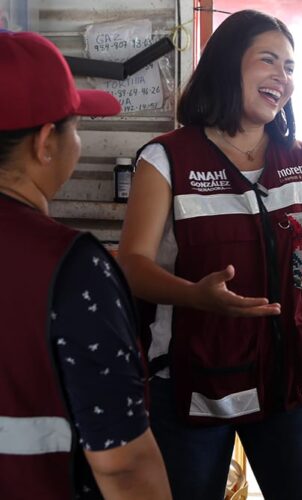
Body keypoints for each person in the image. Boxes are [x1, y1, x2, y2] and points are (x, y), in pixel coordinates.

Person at [117, 10, 302, 500]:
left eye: (292, 67)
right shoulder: (166, 158)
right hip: (192, 386)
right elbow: (132, 266)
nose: (283, 76)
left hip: (291, 384)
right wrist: (195, 296)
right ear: (227, 63)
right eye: (269, 60)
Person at [0, 32, 170, 499]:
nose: (79, 140)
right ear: (44, 143)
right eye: (75, 126)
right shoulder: (72, 269)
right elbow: (123, 465)